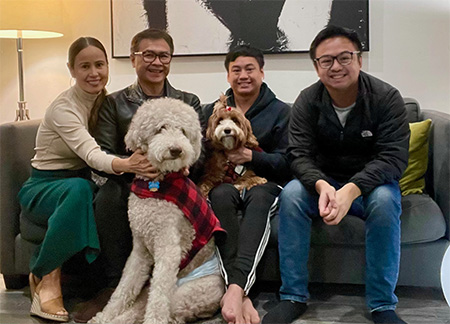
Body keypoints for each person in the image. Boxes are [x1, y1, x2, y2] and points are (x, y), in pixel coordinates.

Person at [262, 26, 410, 324]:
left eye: (345, 57)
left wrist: (351, 189)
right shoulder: (307, 100)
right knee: (290, 195)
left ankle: (382, 304)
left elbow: (393, 158)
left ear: (359, 60)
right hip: (323, 184)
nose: (336, 66)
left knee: (384, 201)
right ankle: (293, 296)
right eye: (326, 61)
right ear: (317, 67)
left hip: (372, 186)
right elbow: (298, 155)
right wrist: (321, 185)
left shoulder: (386, 97)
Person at [71, 28, 205, 323]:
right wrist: (132, 165)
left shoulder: (188, 101)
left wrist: (184, 165)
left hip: (175, 183)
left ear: (170, 60)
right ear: (133, 59)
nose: (156, 62)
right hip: (128, 181)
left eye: (163, 55)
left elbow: (199, 151)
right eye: (148, 55)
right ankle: (113, 283)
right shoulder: (114, 102)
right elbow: (103, 152)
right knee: (110, 195)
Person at [18, 37, 154, 323]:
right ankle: (46, 275)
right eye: (85, 66)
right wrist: (127, 164)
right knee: (80, 189)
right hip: (45, 186)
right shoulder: (63, 109)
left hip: (84, 181)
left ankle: (108, 284)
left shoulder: (109, 101)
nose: (94, 73)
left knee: (100, 193)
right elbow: (92, 154)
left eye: (100, 65)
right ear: (71, 69)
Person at [203, 45, 291, 324]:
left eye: (250, 69)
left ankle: (235, 289)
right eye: (236, 70)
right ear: (228, 76)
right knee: (220, 195)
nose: (243, 75)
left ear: (261, 73)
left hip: (264, 182)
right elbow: (202, 152)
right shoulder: (212, 110)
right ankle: (240, 294)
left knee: (259, 195)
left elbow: (288, 161)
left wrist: (251, 156)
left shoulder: (281, 112)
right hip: (225, 183)